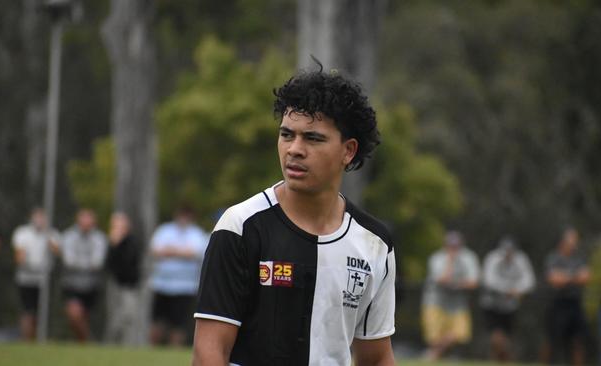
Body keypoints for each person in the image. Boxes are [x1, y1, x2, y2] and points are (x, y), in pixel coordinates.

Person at [192, 66, 396, 366]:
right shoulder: (240, 227)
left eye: (313, 138)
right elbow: (209, 354)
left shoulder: (375, 244)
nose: (294, 149)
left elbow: (376, 358)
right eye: (287, 134)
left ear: (348, 151)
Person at [149, 206, 207, 346]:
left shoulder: (197, 234)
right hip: (161, 284)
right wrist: (181, 253)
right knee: (158, 322)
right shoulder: (164, 230)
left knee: (179, 324)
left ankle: (174, 351)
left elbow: (195, 253)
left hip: (185, 287)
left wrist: (171, 251)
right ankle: (152, 350)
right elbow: (156, 250)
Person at [421, 231, 480, 361]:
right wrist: (450, 261)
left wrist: (457, 284)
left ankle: (433, 354)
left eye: (456, 246)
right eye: (451, 246)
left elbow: (473, 283)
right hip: (436, 300)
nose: (454, 249)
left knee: (460, 334)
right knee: (434, 338)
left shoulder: (469, 257)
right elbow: (442, 279)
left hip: (457, 302)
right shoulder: (437, 258)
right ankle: (437, 354)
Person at [479, 237, 535, 362]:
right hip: (492, 304)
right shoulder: (493, 258)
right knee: (496, 337)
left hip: (510, 306)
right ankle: (501, 358)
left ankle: (502, 359)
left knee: (506, 337)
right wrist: (509, 290)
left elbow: (529, 281)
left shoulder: (521, 259)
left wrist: (518, 290)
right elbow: (489, 281)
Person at [542, 227, 590, 366]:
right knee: (552, 341)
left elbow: (586, 277)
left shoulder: (579, 258)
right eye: (571, 241)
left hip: (575, 304)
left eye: (575, 241)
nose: (574, 244)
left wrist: (565, 278)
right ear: (563, 242)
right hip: (557, 304)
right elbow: (554, 279)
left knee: (578, 341)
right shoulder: (554, 258)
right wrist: (574, 277)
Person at [59, 208, 107, 342]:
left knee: (84, 317)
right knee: (74, 315)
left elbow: (98, 262)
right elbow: (68, 261)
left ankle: (82, 344)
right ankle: (87, 341)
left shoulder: (99, 237)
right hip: (71, 283)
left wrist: (80, 263)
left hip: (91, 284)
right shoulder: (68, 236)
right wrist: (87, 264)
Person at [11, 208, 60, 340]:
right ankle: (27, 339)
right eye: (37, 217)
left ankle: (41, 338)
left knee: (43, 312)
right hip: (26, 278)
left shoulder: (51, 233)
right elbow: (19, 257)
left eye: (42, 217)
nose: (39, 221)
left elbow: (57, 251)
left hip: (44, 279)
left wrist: (47, 236)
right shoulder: (22, 233)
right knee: (28, 311)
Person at [105, 211, 142, 345]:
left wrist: (119, 244)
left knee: (129, 316)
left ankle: (129, 344)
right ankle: (112, 343)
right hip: (115, 284)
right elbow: (109, 264)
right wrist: (114, 245)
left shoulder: (132, 241)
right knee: (114, 318)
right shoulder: (111, 243)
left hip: (130, 285)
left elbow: (129, 262)